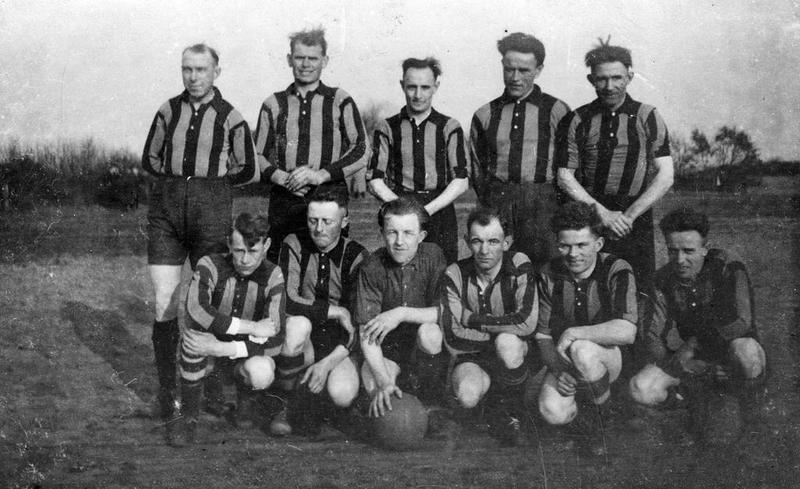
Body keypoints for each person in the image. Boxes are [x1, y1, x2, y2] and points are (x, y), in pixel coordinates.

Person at [141, 43, 258, 437]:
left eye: (201, 69)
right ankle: (167, 391)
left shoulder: (231, 117)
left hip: (211, 213)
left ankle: (212, 387)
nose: (193, 77)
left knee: (210, 299)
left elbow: (248, 168)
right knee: (165, 300)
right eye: (186, 69)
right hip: (167, 212)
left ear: (216, 72)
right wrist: (178, 187)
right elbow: (150, 159)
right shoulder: (167, 110)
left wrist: (211, 187)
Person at [628, 208, 767, 440]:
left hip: (729, 358)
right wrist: (683, 364)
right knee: (640, 387)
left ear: (705, 247)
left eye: (689, 251)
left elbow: (741, 321)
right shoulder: (662, 279)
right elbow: (651, 335)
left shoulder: (728, 266)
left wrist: (693, 344)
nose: (680, 260)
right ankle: (687, 406)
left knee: (747, 351)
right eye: (673, 251)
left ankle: (752, 417)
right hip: (693, 362)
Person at [556, 37, 674, 290]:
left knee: (638, 288)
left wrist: (627, 217)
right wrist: (603, 214)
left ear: (630, 76)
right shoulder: (577, 119)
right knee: (589, 287)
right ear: (591, 79)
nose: (609, 86)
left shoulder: (647, 116)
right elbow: (565, 176)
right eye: (601, 79)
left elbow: (666, 175)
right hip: (590, 214)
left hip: (634, 215)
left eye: (616, 78)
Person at [254, 27, 369, 263]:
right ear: (289, 59)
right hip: (285, 200)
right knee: (282, 264)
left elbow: (361, 148)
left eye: (313, 58)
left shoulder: (339, 99)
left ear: (324, 61)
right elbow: (256, 155)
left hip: (330, 196)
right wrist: (282, 178)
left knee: (329, 264)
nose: (306, 64)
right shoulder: (273, 103)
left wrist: (320, 175)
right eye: (299, 57)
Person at [173, 213, 288, 445]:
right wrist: (251, 326)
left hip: (240, 354)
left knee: (262, 370)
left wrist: (223, 348)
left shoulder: (273, 275)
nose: (245, 260)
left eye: (253, 251)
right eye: (238, 250)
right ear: (228, 243)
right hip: (210, 352)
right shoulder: (210, 264)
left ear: (267, 245)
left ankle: (245, 401)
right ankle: (188, 416)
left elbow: (276, 339)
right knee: (193, 339)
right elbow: (196, 310)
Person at [535, 201, 637, 453]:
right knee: (551, 411)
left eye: (582, 245)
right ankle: (582, 416)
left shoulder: (616, 268)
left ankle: (602, 422)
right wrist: (559, 371)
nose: (573, 254)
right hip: (568, 361)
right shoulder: (549, 272)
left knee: (582, 348)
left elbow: (628, 331)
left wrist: (574, 333)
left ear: (598, 244)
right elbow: (542, 335)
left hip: (608, 359)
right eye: (565, 245)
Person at [273, 185, 368, 436]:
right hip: (304, 336)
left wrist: (326, 364)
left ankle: (325, 402)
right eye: (313, 220)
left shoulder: (357, 255)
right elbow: (287, 300)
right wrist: (335, 312)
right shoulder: (293, 243)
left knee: (343, 394)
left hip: (339, 342)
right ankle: (284, 403)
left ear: (344, 221)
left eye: (328, 221)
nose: (319, 229)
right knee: (296, 327)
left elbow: (357, 321)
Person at [470, 32, 571, 268]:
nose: (515, 77)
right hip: (498, 202)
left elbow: (569, 166)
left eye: (524, 70)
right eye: (509, 69)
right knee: (500, 268)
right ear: (502, 66)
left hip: (544, 205)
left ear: (539, 69)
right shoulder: (485, 114)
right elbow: (477, 170)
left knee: (546, 270)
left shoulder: (557, 110)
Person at [440, 207, 538, 445]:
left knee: (507, 344)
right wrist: (499, 331)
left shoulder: (519, 263)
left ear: (507, 242)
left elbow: (526, 323)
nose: (484, 250)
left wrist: (471, 319)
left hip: (511, 352)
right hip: (472, 356)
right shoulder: (455, 273)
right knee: (467, 396)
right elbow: (453, 334)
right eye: (477, 241)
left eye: (493, 241)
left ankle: (513, 409)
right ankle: (490, 404)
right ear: (467, 242)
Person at [367, 57, 469, 264]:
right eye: (412, 87)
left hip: (439, 210)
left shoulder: (449, 126)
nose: (418, 94)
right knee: (399, 269)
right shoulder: (387, 127)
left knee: (442, 270)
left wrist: (427, 210)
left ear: (436, 87)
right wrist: (401, 206)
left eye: (425, 87)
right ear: (402, 85)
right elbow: (374, 179)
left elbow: (461, 180)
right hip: (399, 206)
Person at [354, 198, 447, 417]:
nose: (399, 241)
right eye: (392, 232)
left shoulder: (433, 256)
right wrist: (384, 381)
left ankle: (431, 402)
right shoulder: (371, 267)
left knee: (431, 334)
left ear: (421, 236)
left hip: (420, 348)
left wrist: (401, 313)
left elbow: (446, 311)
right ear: (382, 233)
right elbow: (366, 332)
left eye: (408, 233)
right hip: (388, 348)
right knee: (377, 391)